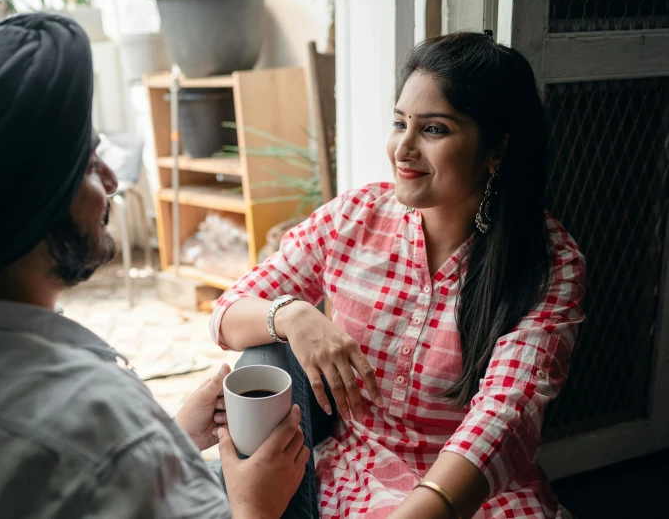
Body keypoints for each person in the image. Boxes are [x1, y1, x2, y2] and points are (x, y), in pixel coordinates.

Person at [0, 13, 310, 519]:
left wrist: (171, 436)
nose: (110, 180)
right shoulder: (100, 425)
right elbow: (91, 459)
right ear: (29, 207)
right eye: (88, 165)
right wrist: (255, 506)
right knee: (275, 362)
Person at [211, 31, 586, 519]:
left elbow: (506, 416)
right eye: (399, 122)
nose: (402, 149)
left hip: (474, 491)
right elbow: (227, 314)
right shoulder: (352, 217)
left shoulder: (548, 261)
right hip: (355, 477)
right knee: (261, 354)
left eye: (433, 129)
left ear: (496, 149)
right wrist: (293, 315)